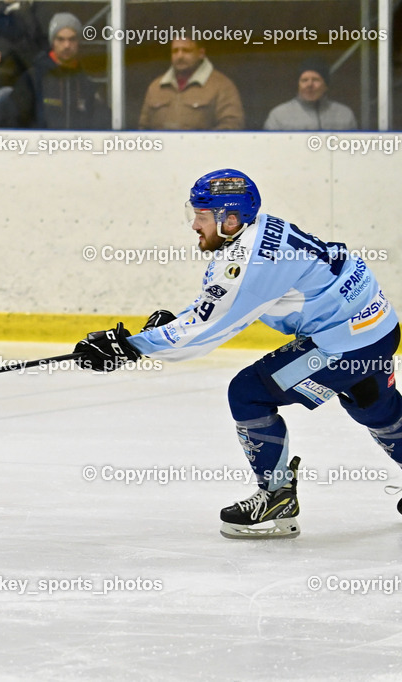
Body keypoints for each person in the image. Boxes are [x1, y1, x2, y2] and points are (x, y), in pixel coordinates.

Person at [74, 169, 402, 539]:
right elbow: (210, 309)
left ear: (230, 220)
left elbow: (207, 330)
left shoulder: (248, 261)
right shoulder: (259, 230)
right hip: (378, 326)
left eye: (201, 216)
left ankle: (277, 497)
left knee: (248, 392)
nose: (194, 225)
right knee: (374, 404)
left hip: (343, 343)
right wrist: (171, 327)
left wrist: (128, 347)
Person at [7, 12, 109, 129]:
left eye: (72, 39)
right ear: (53, 42)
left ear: (78, 42)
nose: (66, 45)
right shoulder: (33, 78)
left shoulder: (85, 82)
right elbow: (12, 120)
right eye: (61, 39)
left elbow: (101, 121)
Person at [139, 39, 244, 130]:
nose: (180, 56)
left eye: (186, 51)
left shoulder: (222, 86)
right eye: (175, 51)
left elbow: (232, 126)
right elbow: (143, 128)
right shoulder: (155, 87)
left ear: (201, 53)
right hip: (162, 152)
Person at [264, 58, 357, 131]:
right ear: (298, 85)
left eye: (315, 80)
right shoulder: (279, 115)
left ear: (326, 85)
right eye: (304, 80)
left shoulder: (344, 114)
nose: (309, 85)